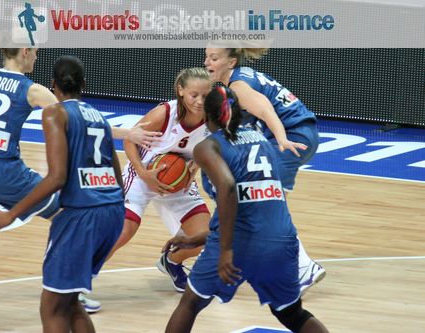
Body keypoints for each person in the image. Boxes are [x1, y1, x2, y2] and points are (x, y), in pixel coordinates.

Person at [0, 48, 159, 306]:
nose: (37, 58)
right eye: (36, 53)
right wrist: (128, 134)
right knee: (66, 216)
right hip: (5, 173)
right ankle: (72, 289)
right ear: (25, 51)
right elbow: (79, 118)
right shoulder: (32, 89)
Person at [164, 86, 329, 333]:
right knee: (291, 312)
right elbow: (251, 209)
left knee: (190, 304)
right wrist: (195, 239)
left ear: (206, 116)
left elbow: (229, 188)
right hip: (282, 240)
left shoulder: (208, 147)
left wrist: (226, 250)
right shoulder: (264, 142)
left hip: (239, 244)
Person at [0, 55, 124, 333]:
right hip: (113, 211)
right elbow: (117, 171)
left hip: (82, 216)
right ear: (83, 84)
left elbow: (57, 177)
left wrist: (12, 213)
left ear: (52, 85)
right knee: (70, 301)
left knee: (51, 306)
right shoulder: (99, 117)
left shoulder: (55, 113)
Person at [204, 47, 325, 294]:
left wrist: (282, 139)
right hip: (296, 134)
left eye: (214, 58)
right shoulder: (231, 81)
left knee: (259, 204)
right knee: (261, 203)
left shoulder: (238, 86)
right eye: (206, 56)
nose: (207, 62)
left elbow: (266, 110)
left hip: (293, 136)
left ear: (231, 62)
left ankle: (302, 267)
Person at [105, 67, 212, 293]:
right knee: (123, 232)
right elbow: (129, 141)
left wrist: (197, 165)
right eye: (195, 95)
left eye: (205, 95)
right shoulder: (164, 114)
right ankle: (79, 282)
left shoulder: (213, 117)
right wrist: (144, 174)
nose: (201, 101)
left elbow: (214, 144)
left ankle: (171, 261)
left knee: (208, 237)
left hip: (179, 181)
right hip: (143, 176)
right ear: (181, 91)